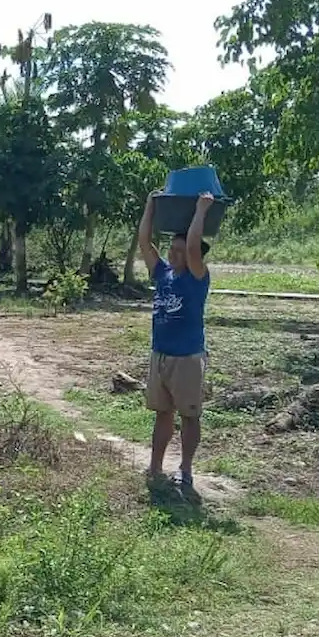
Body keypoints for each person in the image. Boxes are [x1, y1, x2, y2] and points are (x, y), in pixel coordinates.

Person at [137, 189, 214, 493]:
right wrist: (149, 205)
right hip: (161, 356)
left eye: (180, 250)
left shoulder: (197, 275)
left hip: (187, 358)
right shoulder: (163, 273)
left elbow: (194, 247)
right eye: (173, 248)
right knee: (162, 414)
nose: (175, 253)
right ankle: (156, 467)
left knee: (189, 416)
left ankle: (186, 470)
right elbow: (145, 242)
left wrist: (201, 210)